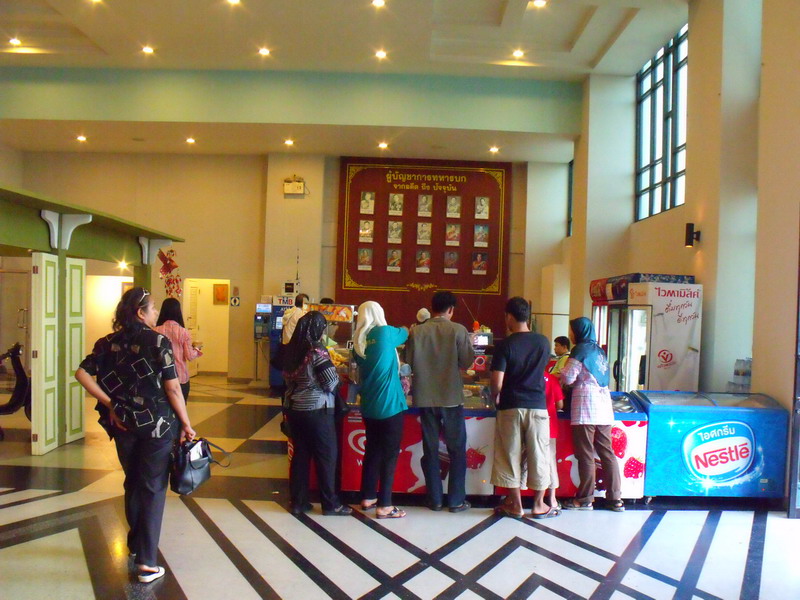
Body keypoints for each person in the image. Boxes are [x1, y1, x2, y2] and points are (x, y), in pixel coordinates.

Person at [74, 287, 195, 583]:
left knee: (133, 481)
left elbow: (81, 373)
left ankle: (136, 545)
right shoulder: (158, 341)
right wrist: (186, 423)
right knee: (152, 486)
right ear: (141, 312)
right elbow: (172, 388)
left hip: (124, 424)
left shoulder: (108, 342)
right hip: (158, 425)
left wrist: (110, 404)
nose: (156, 314)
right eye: (153, 309)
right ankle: (147, 562)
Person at [406, 291, 474, 512]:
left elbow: (407, 362)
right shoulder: (458, 330)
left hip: (425, 398)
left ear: (432, 307)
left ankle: (434, 499)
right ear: (451, 309)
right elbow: (467, 362)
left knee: (431, 449)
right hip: (451, 398)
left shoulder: (416, 332)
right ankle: (456, 500)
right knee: (456, 449)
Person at [490, 297, 556, 519]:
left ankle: (516, 506)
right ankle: (538, 505)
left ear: (509, 316)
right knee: (539, 454)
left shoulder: (505, 345)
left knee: (509, 455)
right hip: (537, 406)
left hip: (510, 406)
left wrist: (495, 396)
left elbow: (497, 382)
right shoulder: (543, 342)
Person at [282, 311, 352, 516]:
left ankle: (298, 502)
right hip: (318, 411)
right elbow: (330, 382)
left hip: (295, 410)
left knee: (300, 457)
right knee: (326, 457)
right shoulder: (316, 351)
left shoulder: (291, 350)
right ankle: (331, 504)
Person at [560, 317, 624, 512]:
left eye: (572, 330)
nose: (570, 334)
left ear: (579, 331)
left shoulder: (580, 350)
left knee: (586, 453)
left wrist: (561, 373)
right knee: (607, 453)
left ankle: (585, 499)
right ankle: (615, 498)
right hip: (604, 408)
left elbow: (568, 377)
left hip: (585, 408)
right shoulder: (599, 351)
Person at [353, 301, 408, 519]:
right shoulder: (385, 332)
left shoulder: (359, 341)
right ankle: (385, 505)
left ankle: (368, 496)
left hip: (369, 405)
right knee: (389, 455)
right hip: (390, 405)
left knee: (372, 450)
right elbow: (405, 333)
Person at [154, 298, 202, 404]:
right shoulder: (183, 332)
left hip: (161, 377)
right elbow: (189, 356)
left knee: (164, 408)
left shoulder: (156, 330)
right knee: (181, 407)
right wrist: (197, 349)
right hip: (180, 377)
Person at [544, 371, 564, 509]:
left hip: (529, 425)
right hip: (549, 424)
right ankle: (552, 498)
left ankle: (515, 498)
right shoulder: (551, 379)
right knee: (550, 462)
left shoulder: (525, 375)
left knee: (524, 460)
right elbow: (560, 404)